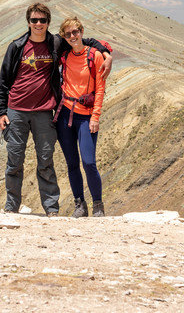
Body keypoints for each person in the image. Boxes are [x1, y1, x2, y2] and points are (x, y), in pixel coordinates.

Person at [0, 3, 112, 215]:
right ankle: (11, 208)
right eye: (34, 20)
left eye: (42, 20)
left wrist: (106, 52)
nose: (38, 24)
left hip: (44, 111)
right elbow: (4, 80)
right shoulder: (17, 46)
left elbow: (83, 42)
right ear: (28, 22)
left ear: (48, 22)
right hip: (17, 110)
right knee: (15, 160)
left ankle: (51, 209)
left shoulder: (56, 43)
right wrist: (0, 112)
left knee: (46, 161)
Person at [56, 16, 107, 217]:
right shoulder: (64, 55)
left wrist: (96, 116)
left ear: (82, 31)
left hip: (86, 116)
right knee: (71, 163)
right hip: (65, 113)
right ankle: (80, 204)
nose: (72, 36)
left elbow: (101, 89)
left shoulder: (95, 56)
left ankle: (98, 205)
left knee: (88, 162)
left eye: (75, 31)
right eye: (68, 34)